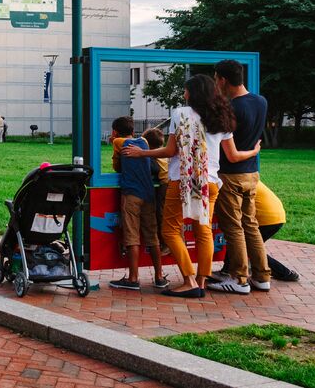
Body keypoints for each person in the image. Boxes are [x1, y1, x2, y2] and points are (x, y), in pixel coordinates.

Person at [121, 74, 259, 298]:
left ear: (193, 93)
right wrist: (254, 151)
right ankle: (202, 281)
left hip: (182, 181)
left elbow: (169, 151)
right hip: (210, 182)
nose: (184, 94)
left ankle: (189, 280)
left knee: (169, 230)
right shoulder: (222, 116)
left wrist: (141, 153)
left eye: (186, 90)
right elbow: (232, 155)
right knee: (203, 231)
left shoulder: (180, 113)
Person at [208, 59, 271, 295]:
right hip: (252, 173)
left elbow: (231, 155)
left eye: (216, 79)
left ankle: (239, 278)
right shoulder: (260, 101)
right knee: (251, 225)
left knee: (233, 227)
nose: (216, 83)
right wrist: (254, 152)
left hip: (231, 175)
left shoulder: (230, 109)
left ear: (223, 80)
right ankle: (262, 277)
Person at [109, 116, 168, 291]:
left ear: (114, 131)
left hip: (132, 194)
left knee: (132, 236)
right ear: (133, 130)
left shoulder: (118, 142)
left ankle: (133, 278)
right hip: (149, 193)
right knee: (152, 236)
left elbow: (116, 167)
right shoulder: (143, 140)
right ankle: (159, 276)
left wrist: (114, 142)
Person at [214, 181, 299, 282]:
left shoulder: (230, 180)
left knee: (243, 245)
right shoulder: (246, 175)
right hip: (277, 216)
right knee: (247, 246)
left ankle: (285, 273)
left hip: (264, 219)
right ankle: (228, 270)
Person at [142, 128, 171, 255]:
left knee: (161, 213)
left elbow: (152, 169)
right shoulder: (164, 151)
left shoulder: (153, 153)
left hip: (165, 185)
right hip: (173, 182)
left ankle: (166, 245)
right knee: (172, 215)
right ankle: (179, 242)